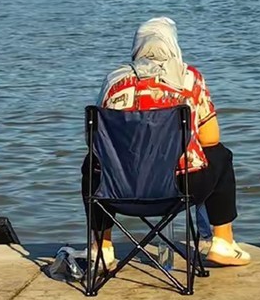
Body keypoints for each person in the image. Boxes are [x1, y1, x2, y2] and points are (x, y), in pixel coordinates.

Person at [84, 17, 250, 268]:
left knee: (92, 164)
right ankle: (222, 243)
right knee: (219, 155)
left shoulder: (115, 81)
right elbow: (211, 137)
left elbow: (94, 141)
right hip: (180, 188)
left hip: (118, 191)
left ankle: (102, 247)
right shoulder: (189, 78)